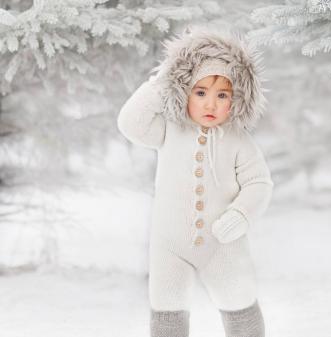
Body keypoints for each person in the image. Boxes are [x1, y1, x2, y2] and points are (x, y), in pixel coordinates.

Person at [117, 26, 273, 337]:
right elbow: (130, 123)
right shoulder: (169, 130)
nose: (210, 104)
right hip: (170, 245)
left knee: (238, 300)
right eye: (200, 93)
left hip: (223, 244)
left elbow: (259, 183)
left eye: (222, 95)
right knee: (167, 309)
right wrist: (162, 83)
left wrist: (240, 214)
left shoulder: (238, 140)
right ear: (184, 91)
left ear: (237, 98)